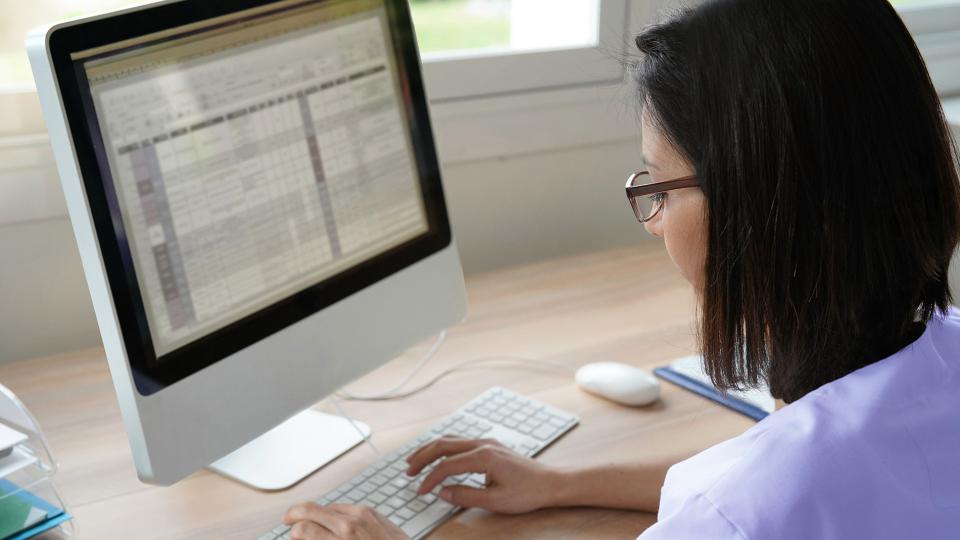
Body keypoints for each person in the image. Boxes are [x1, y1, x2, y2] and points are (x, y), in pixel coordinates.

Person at [281, 0, 960, 537]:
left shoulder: (734, 515)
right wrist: (561, 483)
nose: (655, 219)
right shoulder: (942, 347)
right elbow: (790, 477)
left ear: (760, 208)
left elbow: (745, 501)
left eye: (659, 186)